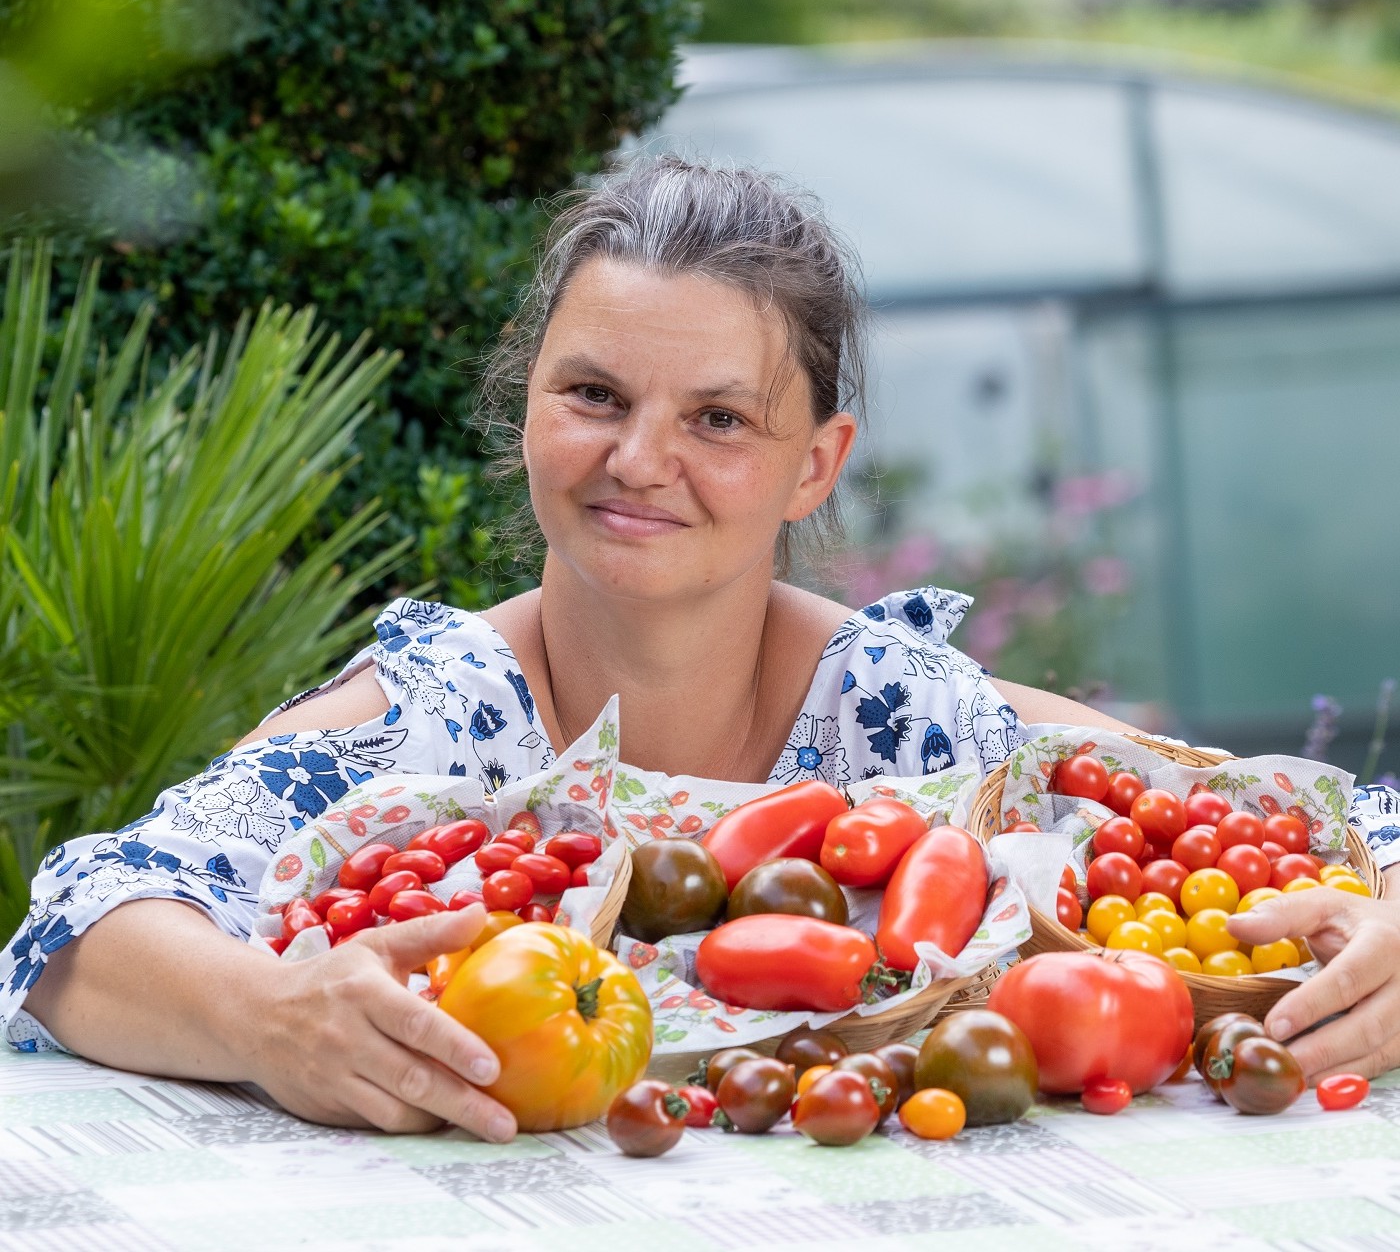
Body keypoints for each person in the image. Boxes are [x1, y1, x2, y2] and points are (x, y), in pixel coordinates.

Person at [4, 157, 1397, 1141]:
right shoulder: (433, 721)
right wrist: (261, 1015)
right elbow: (76, 929)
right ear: (527, 406)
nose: (640, 461)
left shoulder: (901, 719)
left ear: (816, 464)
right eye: (593, 394)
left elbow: (1267, 813)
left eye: (720, 420)